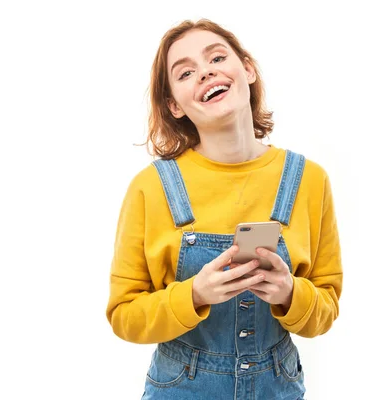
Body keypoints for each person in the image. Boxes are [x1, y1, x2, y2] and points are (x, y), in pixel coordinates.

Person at [106, 18, 343, 400]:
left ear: (246, 68)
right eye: (185, 72)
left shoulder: (309, 180)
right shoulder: (151, 189)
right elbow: (124, 316)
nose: (206, 72)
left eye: (216, 57)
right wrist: (194, 295)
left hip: (277, 388)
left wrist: (288, 292)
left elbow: (326, 308)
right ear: (174, 105)